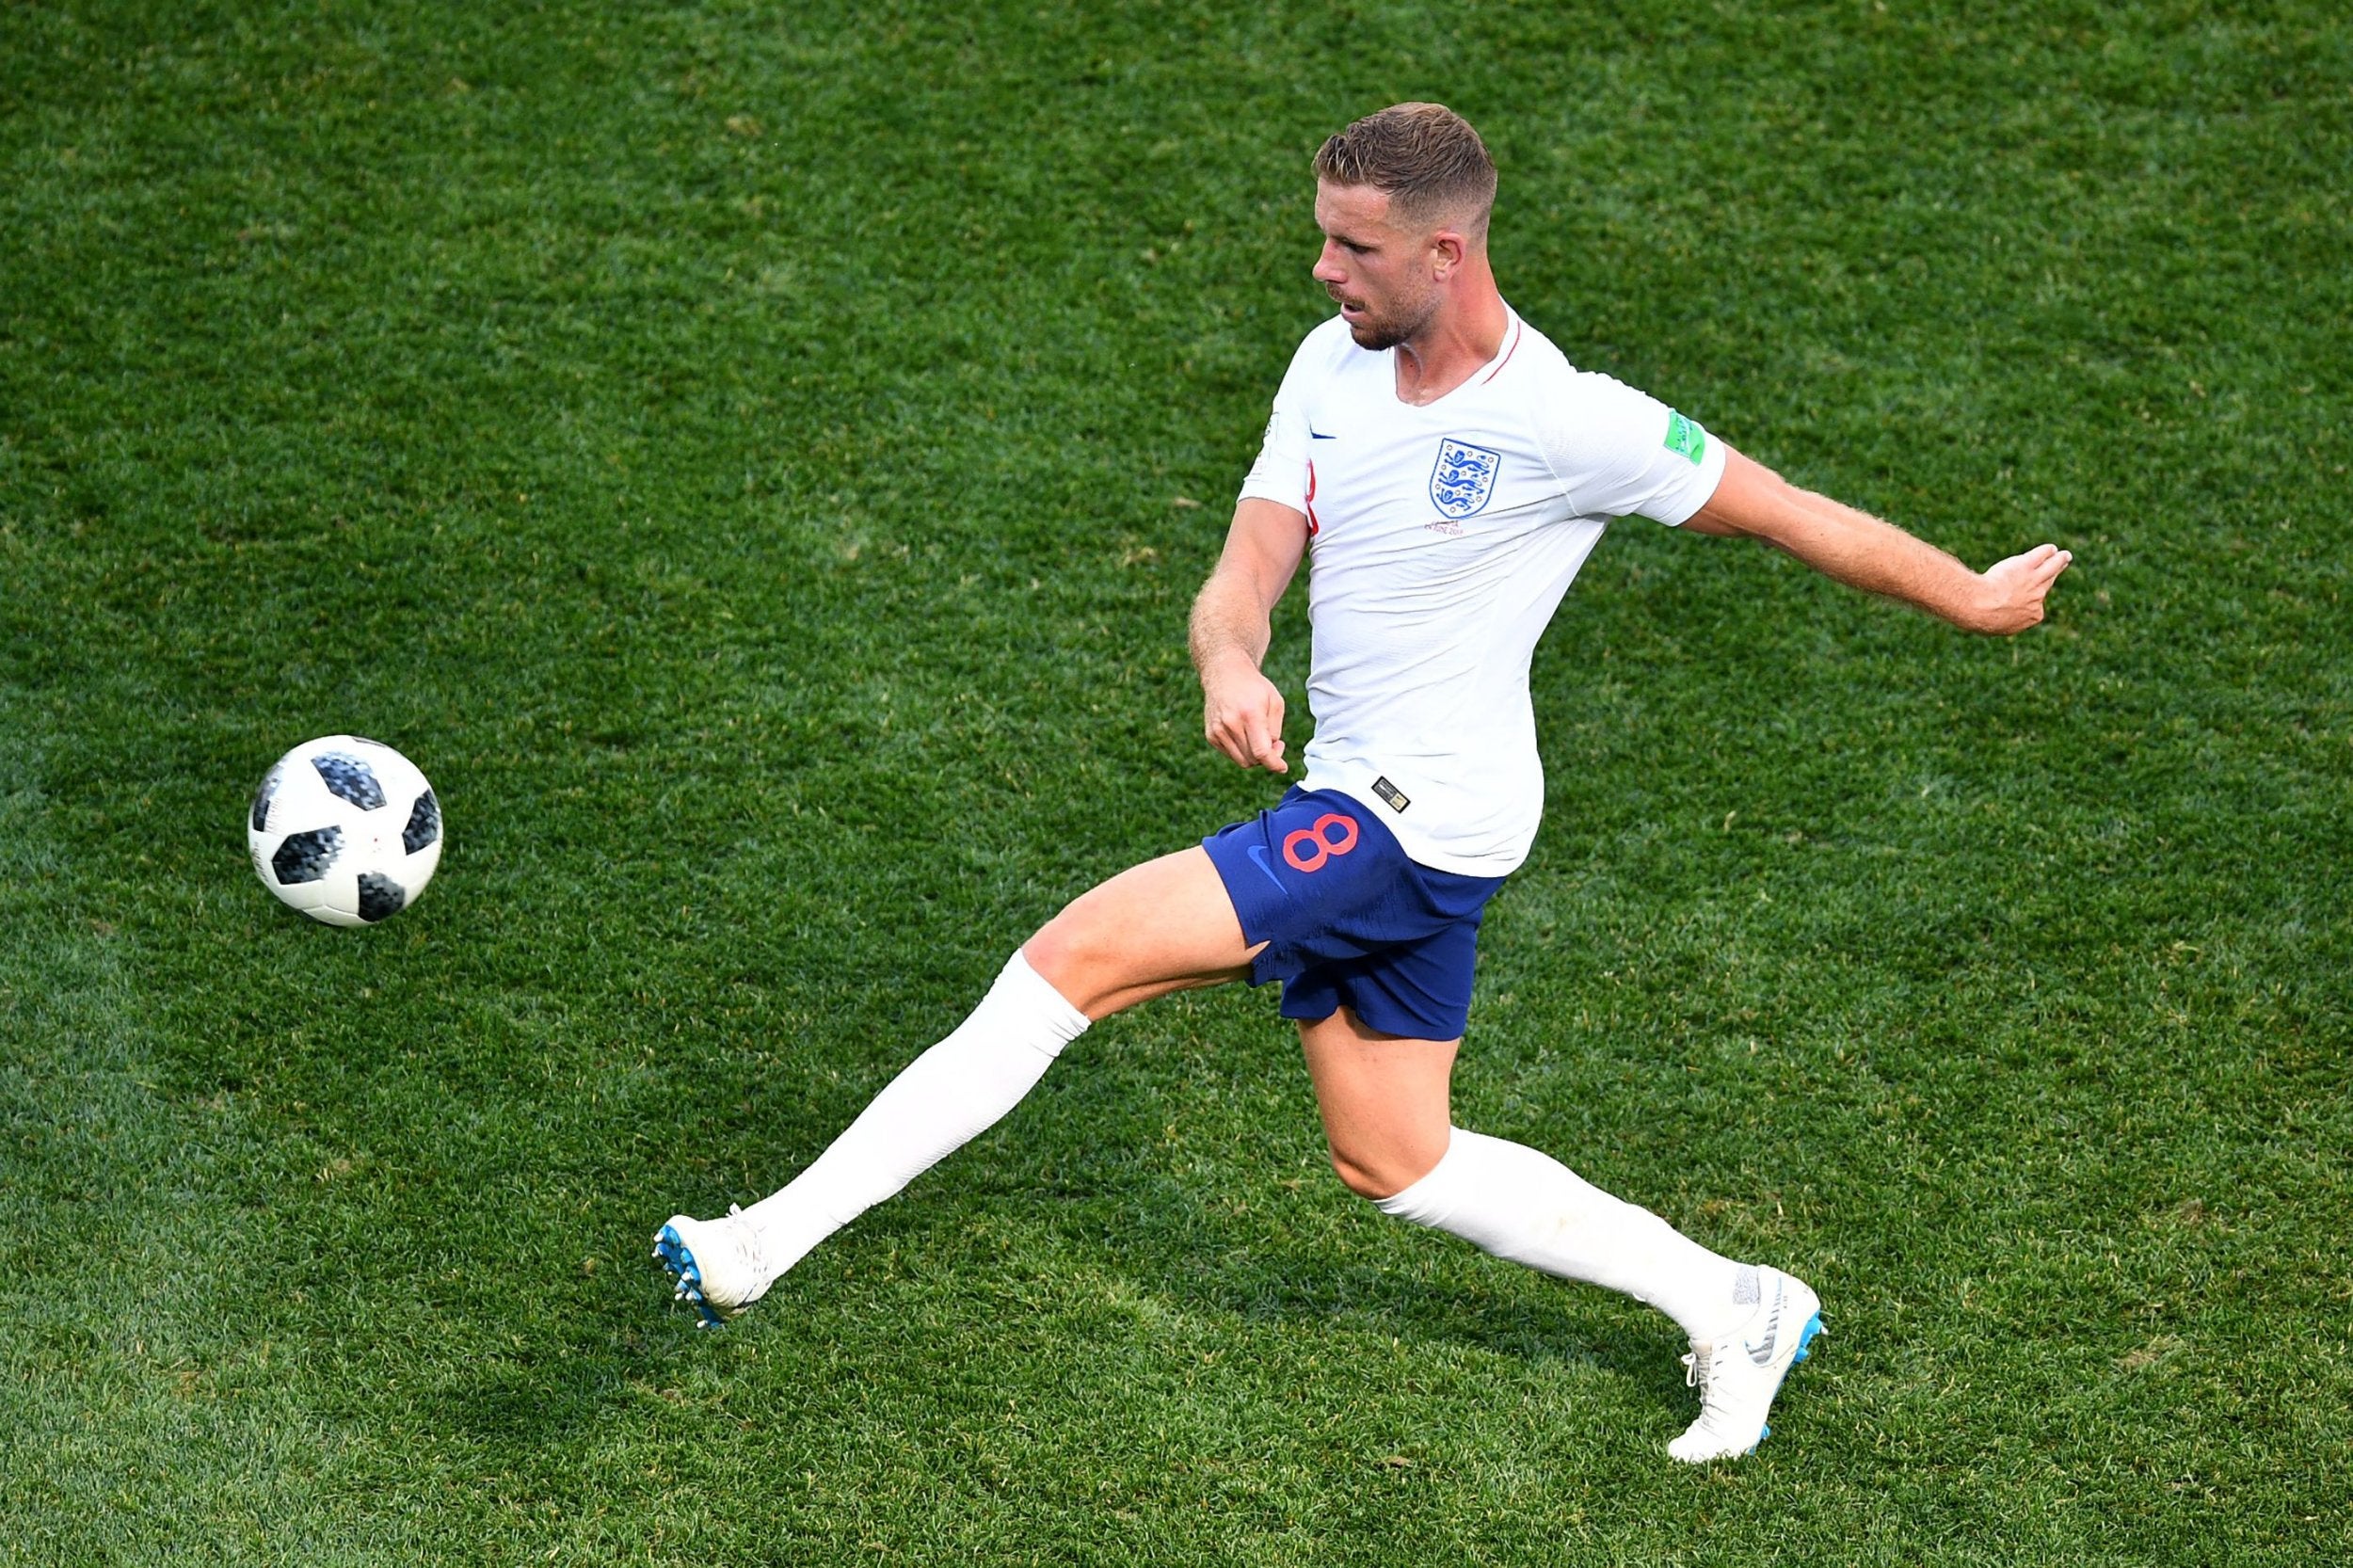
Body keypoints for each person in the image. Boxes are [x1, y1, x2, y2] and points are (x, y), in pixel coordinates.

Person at [652, 103, 2072, 1464]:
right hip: (1386, 800)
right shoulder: (1329, 367)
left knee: (1071, 961)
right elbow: (1252, 558)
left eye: (1354, 246)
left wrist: (1972, 596)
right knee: (1397, 1160)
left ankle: (759, 1244)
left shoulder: (1571, 421)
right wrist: (1232, 660)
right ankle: (1735, 1301)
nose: (1324, 269)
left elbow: (1788, 513)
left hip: (1408, 817)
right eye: (1323, 237)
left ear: (1445, 252)